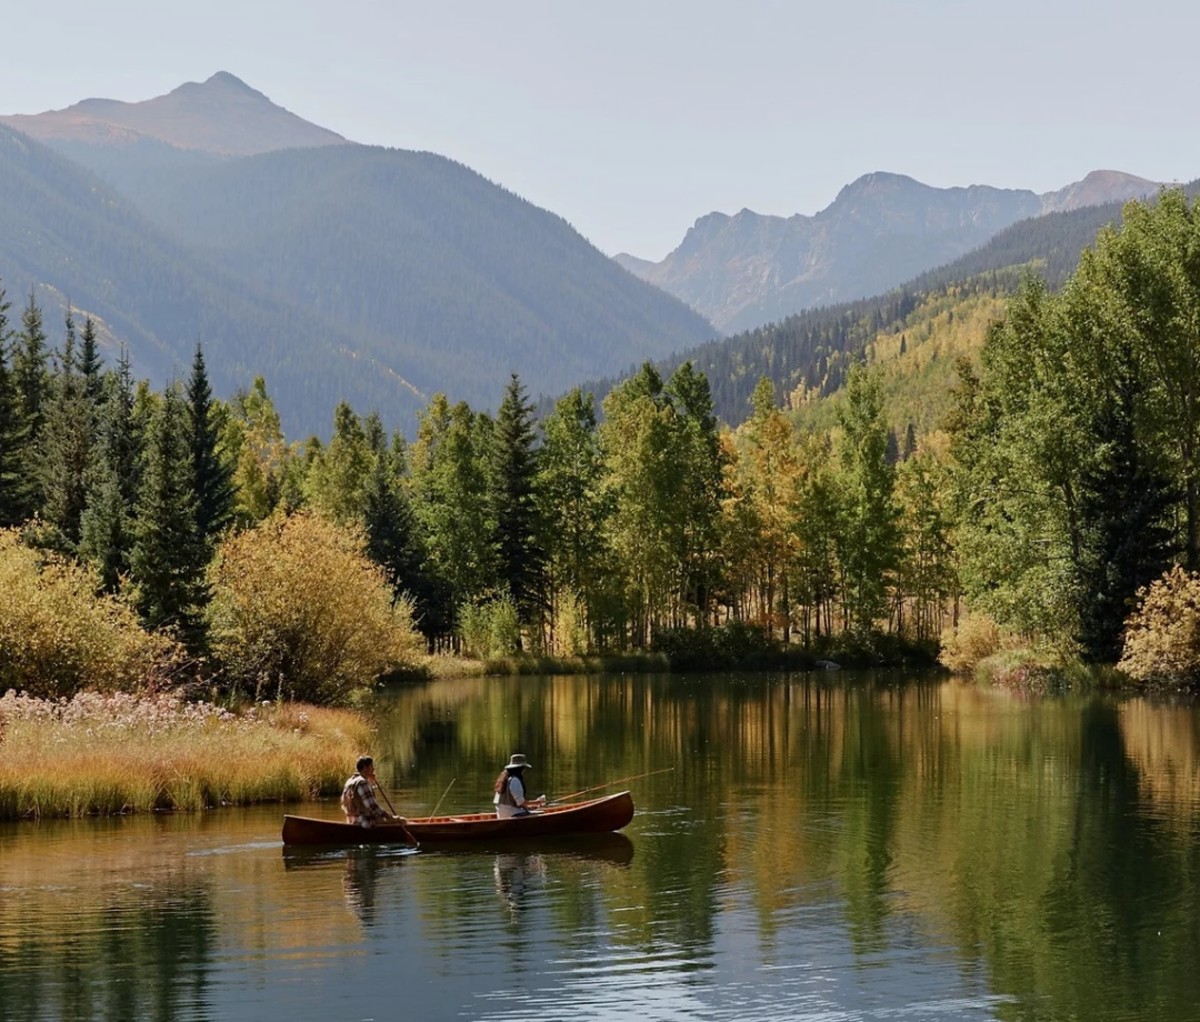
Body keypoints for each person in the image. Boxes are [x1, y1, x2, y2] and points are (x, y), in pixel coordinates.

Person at [341, 756, 403, 828]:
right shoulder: (362, 783)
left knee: (397, 820)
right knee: (402, 821)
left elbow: (345, 802)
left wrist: (370, 781)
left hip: (351, 820)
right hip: (365, 822)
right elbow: (372, 807)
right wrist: (389, 816)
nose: (373, 769)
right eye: (371, 767)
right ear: (365, 768)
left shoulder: (350, 781)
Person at [493, 753, 546, 818]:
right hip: (512, 814)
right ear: (520, 769)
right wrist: (537, 802)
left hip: (501, 814)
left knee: (534, 811)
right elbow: (521, 802)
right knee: (540, 814)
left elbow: (515, 803)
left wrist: (533, 806)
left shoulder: (504, 779)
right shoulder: (515, 780)